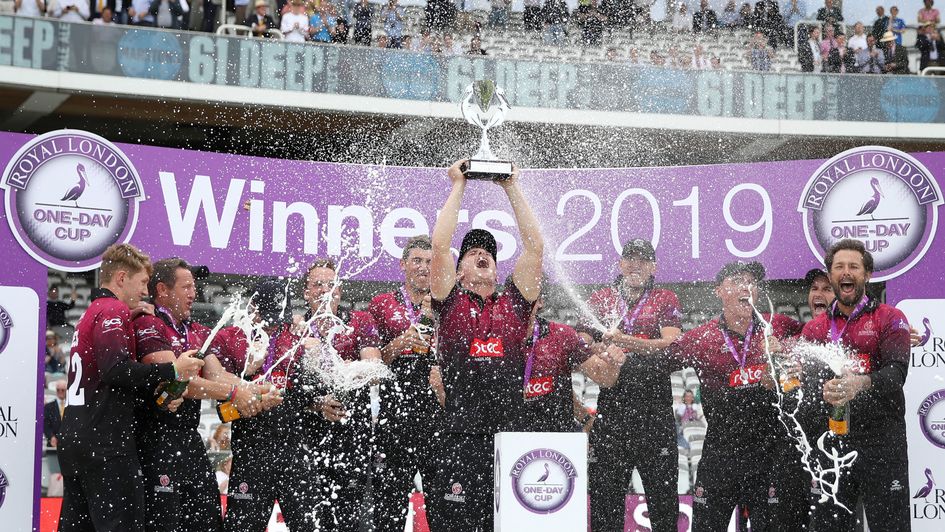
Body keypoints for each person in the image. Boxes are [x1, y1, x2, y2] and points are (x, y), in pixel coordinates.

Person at [424, 159, 544, 532]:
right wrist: (458, 184)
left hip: (511, 441)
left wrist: (511, 187)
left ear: (497, 267)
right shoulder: (450, 301)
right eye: (473, 251)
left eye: (488, 252)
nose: (482, 254)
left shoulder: (514, 300)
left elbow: (535, 248)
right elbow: (440, 245)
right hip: (461, 438)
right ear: (458, 271)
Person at [58, 244, 204, 532]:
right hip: (106, 443)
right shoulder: (113, 310)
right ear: (121, 278)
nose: (145, 292)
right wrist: (172, 369)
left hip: (74, 438)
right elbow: (115, 370)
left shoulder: (92, 312)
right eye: (141, 283)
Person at [133, 258, 274, 532]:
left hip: (188, 440)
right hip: (155, 440)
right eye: (186, 287)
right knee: (164, 524)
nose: (193, 293)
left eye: (194, 287)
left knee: (208, 521)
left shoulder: (197, 331)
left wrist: (257, 390)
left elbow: (217, 376)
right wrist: (236, 391)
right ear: (162, 290)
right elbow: (181, 382)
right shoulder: (149, 324)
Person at [672, 261, 802, 532]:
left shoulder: (778, 326)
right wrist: (619, 348)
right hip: (721, 453)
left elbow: (821, 338)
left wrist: (791, 354)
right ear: (719, 290)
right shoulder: (701, 337)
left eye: (751, 281)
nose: (746, 286)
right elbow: (661, 359)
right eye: (737, 281)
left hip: (769, 453)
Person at [802, 239, 912, 530]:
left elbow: (896, 373)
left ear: (867, 275)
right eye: (839, 267)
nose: (846, 272)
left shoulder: (889, 317)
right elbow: (807, 386)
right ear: (832, 275)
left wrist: (860, 384)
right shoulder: (815, 328)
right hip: (832, 445)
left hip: (882, 443)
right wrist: (820, 391)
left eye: (854, 266)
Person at [579, 238, 683, 532]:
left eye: (643, 259)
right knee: (604, 511)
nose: (635, 264)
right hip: (612, 416)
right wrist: (602, 350)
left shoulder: (666, 298)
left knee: (664, 511)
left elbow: (670, 345)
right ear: (620, 263)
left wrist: (624, 342)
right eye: (630, 258)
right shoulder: (601, 299)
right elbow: (580, 342)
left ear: (653, 267)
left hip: (655, 416)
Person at [218, 277, 320, 531]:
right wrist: (250, 382)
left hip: (294, 451)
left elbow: (310, 393)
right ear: (253, 308)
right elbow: (223, 408)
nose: (273, 326)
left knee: (307, 526)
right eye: (267, 317)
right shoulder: (232, 338)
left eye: (279, 318)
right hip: (251, 453)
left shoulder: (296, 336)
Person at [294, 259, 383, 531]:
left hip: (351, 437)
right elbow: (288, 388)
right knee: (311, 521)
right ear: (306, 293)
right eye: (317, 285)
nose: (324, 290)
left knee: (348, 519)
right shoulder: (296, 331)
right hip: (308, 439)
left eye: (329, 285)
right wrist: (316, 403)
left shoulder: (359, 322)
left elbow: (374, 368)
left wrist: (329, 364)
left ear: (340, 291)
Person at [368, 236, 442, 532]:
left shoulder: (446, 303)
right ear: (403, 265)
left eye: (429, 262)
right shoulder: (382, 304)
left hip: (437, 419)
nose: (424, 268)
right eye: (417, 261)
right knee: (388, 512)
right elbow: (370, 364)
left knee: (443, 507)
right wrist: (396, 346)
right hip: (393, 421)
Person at [511, 276, 623, 433]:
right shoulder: (491, 335)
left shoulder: (562, 335)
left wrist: (613, 363)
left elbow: (604, 378)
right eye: (515, 297)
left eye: (528, 296)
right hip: (506, 435)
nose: (521, 303)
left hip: (557, 435)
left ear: (540, 301)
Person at [44, 379, 67, 447]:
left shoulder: (71, 406)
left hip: (68, 443)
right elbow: (46, 424)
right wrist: (51, 437)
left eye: (63, 390)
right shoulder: (49, 407)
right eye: (58, 390)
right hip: (53, 443)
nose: (60, 392)